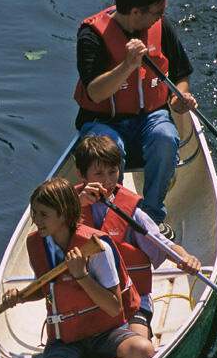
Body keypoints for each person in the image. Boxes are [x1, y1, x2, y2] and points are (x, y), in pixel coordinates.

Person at [3, 177, 154, 358]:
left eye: (43, 214)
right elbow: (46, 289)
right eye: (34, 213)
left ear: (63, 214)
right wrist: (20, 296)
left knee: (143, 351)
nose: (36, 221)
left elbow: (114, 307)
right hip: (66, 339)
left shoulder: (96, 247)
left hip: (104, 333)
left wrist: (82, 276)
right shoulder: (37, 244)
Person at [73, 0, 198, 238]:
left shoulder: (161, 28)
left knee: (165, 136)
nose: (161, 17)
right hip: (102, 121)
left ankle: (150, 218)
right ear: (136, 12)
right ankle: (112, 216)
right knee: (108, 150)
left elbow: (181, 74)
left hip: (149, 117)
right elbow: (94, 92)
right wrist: (128, 65)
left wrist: (179, 98)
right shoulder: (91, 36)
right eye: (157, 12)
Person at [73, 135, 202, 340]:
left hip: (131, 300)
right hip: (84, 301)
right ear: (81, 174)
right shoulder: (66, 209)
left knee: (139, 343)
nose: (107, 181)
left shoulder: (132, 214)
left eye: (113, 172)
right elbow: (47, 235)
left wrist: (186, 257)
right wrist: (77, 206)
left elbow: (164, 244)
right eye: (98, 173)